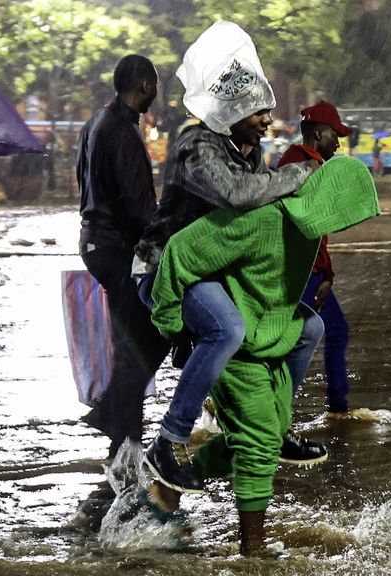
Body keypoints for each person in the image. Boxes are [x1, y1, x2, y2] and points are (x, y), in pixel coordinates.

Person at [146, 151, 380, 557]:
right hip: (238, 344)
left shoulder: (307, 231)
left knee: (264, 437)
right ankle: (253, 551)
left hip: (270, 336)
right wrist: (173, 328)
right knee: (257, 446)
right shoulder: (262, 219)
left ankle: (164, 492)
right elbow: (180, 252)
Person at [133, 20, 322, 495]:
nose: (266, 119)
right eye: (258, 110)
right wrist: (297, 174)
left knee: (309, 327)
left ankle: (274, 430)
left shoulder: (248, 154)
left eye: (266, 110)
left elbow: (261, 207)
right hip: (164, 270)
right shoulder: (196, 146)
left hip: (215, 273)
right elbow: (237, 196)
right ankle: (168, 441)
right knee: (230, 329)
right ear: (229, 111)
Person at [76, 55, 170, 458]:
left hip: (94, 242)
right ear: (145, 85)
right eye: (155, 87)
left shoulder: (96, 122)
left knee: (130, 337)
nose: (155, 95)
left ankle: (119, 431)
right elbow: (138, 208)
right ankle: (121, 432)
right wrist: (163, 247)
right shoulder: (124, 133)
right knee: (151, 333)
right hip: (117, 248)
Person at [278, 101, 355, 417]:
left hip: (305, 270)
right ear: (318, 133)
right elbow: (311, 230)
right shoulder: (307, 167)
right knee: (330, 332)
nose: (338, 142)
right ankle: (335, 408)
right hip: (304, 271)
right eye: (335, 134)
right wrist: (325, 276)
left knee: (288, 338)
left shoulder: (291, 161)